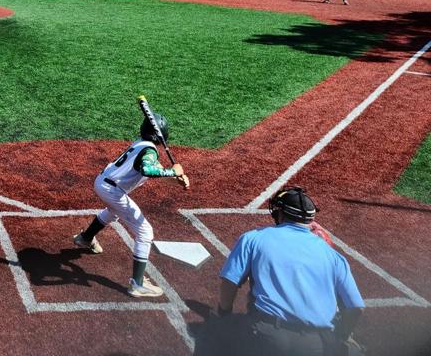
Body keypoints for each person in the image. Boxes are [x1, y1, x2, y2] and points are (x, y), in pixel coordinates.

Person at [215, 186, 364, 356]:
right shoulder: (333, 256)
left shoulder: (253, 238)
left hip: (266, 337)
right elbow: (356, 307)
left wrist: (223, 312)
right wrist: (341, 336)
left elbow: (229, 283)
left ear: (280, 213)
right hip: (316, 344)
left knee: (213, 334)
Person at [72, 112, 189, 298]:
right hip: (112, 190)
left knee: (113, 211)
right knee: (145, 232)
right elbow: (147, 170)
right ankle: (137, 284)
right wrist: (172, 171)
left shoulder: (142, 145)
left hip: (104, 184)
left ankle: (85, 238)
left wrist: (177, 179)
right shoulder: (149, 151)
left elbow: (154, 170)